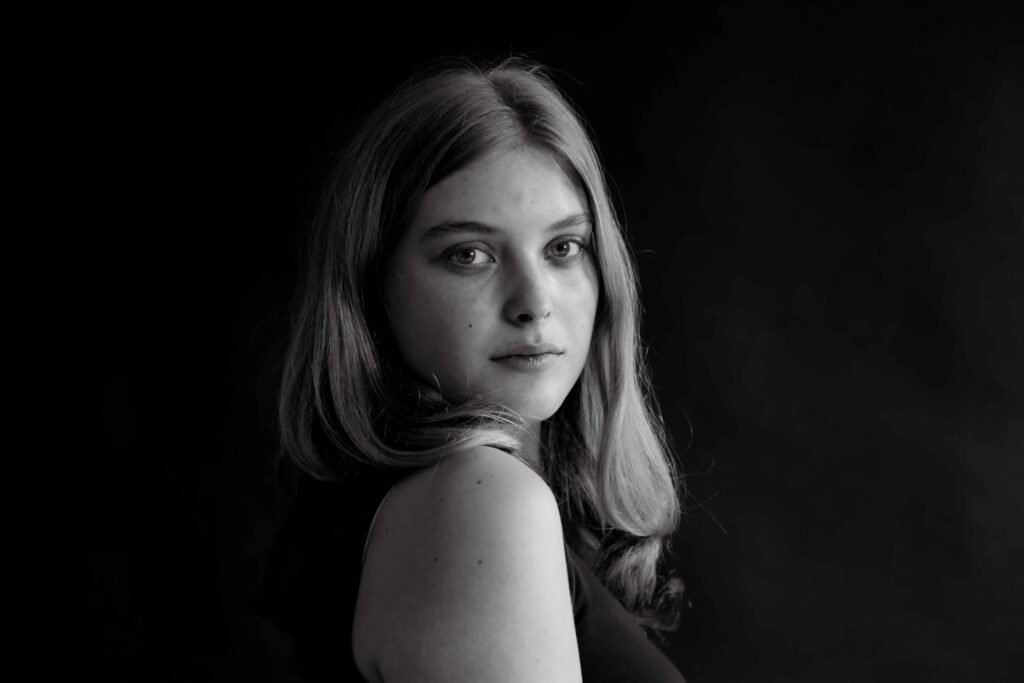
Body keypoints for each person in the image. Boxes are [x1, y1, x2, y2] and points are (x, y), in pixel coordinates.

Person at [263, 57, 687, 682]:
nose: (534, 301)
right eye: (470, 255)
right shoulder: (480, 504)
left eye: (563, 248)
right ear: (372, 285)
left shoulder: (424, 506)